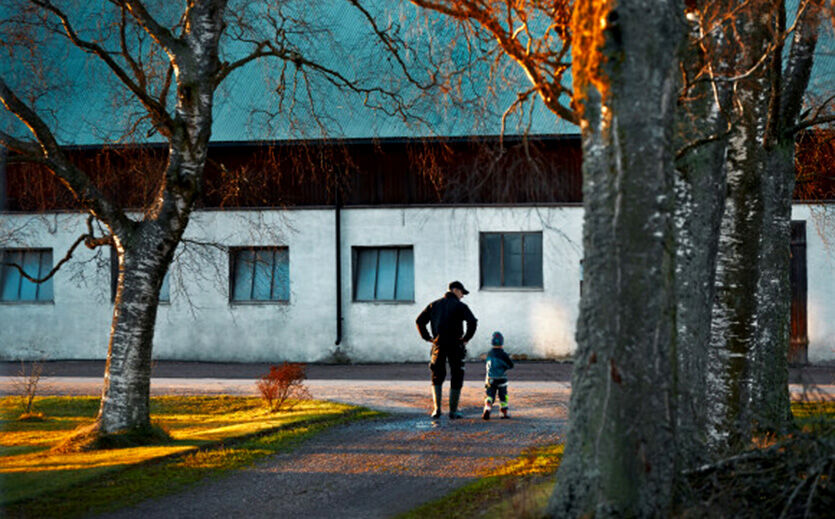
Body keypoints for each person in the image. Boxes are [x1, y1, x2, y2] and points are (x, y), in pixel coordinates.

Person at [415, 280, 478, 419]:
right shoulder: (460, 306)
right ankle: (453, 411)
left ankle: (437, 410)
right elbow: (472, 322)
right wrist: (466, 338)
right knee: (457, 375)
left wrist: (428, 338)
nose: (462, 296)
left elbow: (419, 321)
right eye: (462, 292)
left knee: (437, 375)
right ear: (455, 290)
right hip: (456, 344)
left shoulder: (434, 305)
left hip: (438, 344)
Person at [482, 331, 514, 420]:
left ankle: (488, 406)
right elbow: (511, 365)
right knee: (503, 395)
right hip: (502, 378)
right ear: (502, 342)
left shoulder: (489, 354)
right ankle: (504, 412)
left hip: (490, 379)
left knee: (490, 395)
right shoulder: (503, 354)